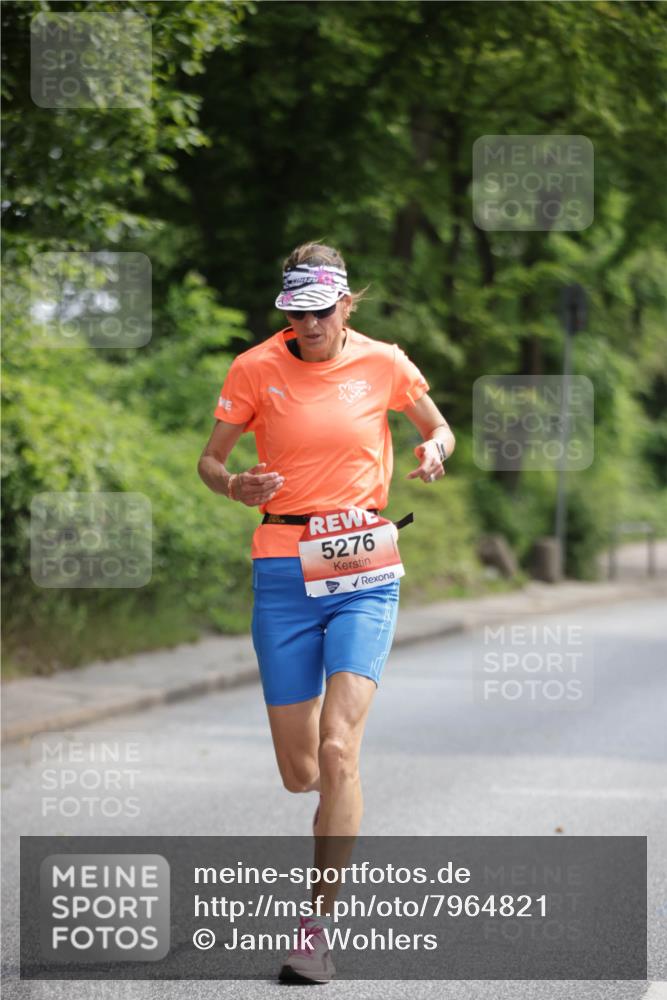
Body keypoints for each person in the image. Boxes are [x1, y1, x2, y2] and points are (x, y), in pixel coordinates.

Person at [197, 241, 455, 984]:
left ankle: (314, 929)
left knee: (340, 750)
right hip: (281, 566)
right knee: (301, 771)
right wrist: (232, 485)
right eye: (295, 313)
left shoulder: (385, 363)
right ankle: (331, 800)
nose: (307, 325)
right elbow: (210, 461)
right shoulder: (254, 368)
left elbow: (437, 428)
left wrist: (434, 449)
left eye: (320, 311)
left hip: (362, 564)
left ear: (346, 304)